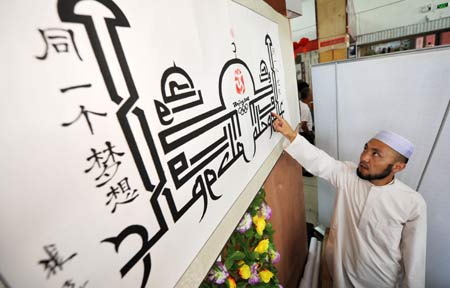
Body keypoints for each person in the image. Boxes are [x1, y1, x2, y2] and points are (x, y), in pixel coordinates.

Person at [272, 112, 427, 288]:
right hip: (340, 270)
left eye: (376, 154)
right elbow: (321, 162)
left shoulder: (412, 203)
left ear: (398, 167)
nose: (364, 157)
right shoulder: (349, 175)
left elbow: (415, 261)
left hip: (379, 280)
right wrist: (290, 135)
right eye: (366, 148)